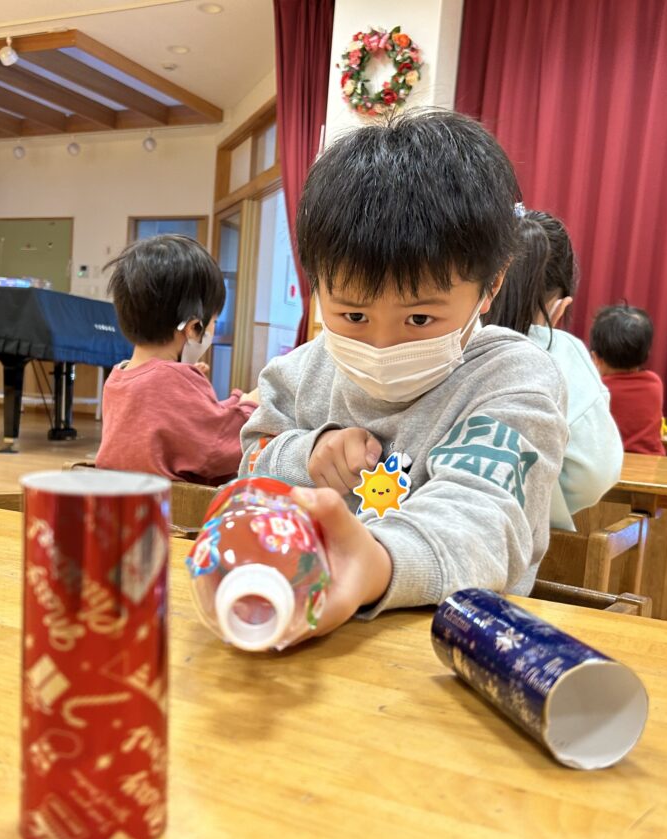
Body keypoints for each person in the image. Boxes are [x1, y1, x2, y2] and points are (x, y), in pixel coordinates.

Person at [242, 109, 568, 639]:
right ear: (317, 284)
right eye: (352, 315)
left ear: (490, 287)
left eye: (420, 318)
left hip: (449, 651)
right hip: (301, 635)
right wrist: (307, 454)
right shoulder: (298, 374)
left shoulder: (513, 378)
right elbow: (251, 460)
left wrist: (377, 561)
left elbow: (483, 517)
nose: (382, 344)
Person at [483, 208, 622, 529]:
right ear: (561, 307)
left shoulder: (437, 333)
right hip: (520, 539)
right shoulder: (563, 352)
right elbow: (594, 473)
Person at [96, 234, 258, 484]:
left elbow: (191, 428)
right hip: (177, 513)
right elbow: (218, 448)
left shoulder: (119, 376)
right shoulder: (172, 379)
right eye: (213, 322)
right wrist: (249, 406)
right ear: (194, 327)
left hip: (125, 502)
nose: (213, 328)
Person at [589, 304, 665, 456]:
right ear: (646, 354)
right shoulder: (654, 384)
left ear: (595, 358)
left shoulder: (595, 389)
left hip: (607, 469)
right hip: (651, 466)